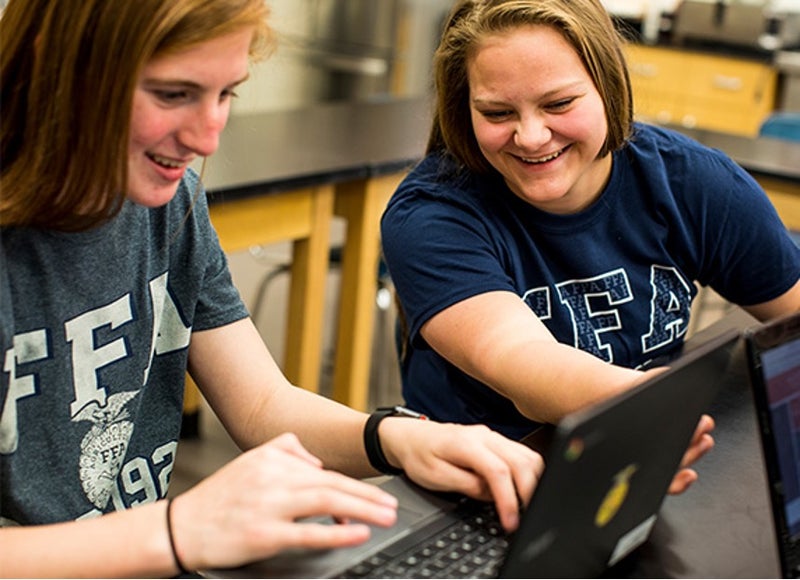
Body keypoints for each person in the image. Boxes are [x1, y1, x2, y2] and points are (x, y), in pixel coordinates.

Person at [0, 0, 546, 577]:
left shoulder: (169, 205)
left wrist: (396, 439)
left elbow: (262, 404)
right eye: (172, 95)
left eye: (226, 93)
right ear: (58, 70)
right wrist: (177, 530)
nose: (208, 137)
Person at [381, 0, 800, 476]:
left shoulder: (690, 182)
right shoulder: (433, 215)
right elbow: (524, 366)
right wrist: (656, 406)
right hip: (481, 485)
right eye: (497, 113)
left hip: (634, 459)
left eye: (558, 104)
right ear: (465, 109)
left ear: (608, 86)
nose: (532, 136)